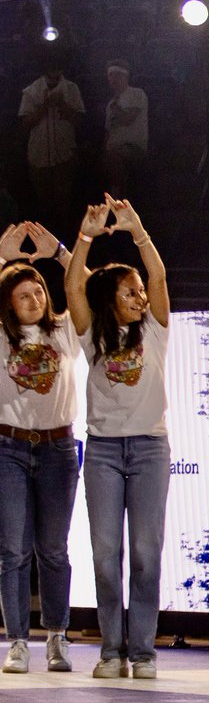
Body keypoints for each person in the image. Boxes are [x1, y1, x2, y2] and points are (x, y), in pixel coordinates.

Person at [65, 195, 170, 679]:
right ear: (110, 298)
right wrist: (85, 237)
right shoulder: (93, 336)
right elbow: (73, 287)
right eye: (129, 292)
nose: (140, 298)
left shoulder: (156, 327)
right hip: (104, 450)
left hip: (149, 447)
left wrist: (138, 229)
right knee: (106, 555)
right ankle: (112, 651)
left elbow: (159, 276)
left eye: (139, 292)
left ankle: (144, 653)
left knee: (146, 554)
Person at [0, 221, 80, 674]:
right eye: (25, 294)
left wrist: (62, 254)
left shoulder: (64, 331)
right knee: (13, 550)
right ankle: (16, 641)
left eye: (40, 292)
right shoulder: (2, 334)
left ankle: (56, 637)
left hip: (57, 449)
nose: (37, 299)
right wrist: (2, 255)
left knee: (54, 549)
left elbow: (85, 291)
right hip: (7, 448)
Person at [17, 55, 84, 235]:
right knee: (44, 203)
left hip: (65, 153)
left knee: (64, 201)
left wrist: (62, 104)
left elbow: (79, 121)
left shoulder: (71, 89)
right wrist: (45, 106)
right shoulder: (31, 91)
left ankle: (65, 239)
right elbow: (25, 123)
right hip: (39, 155)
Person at [101, 60, 148, 199]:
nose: (112, 79)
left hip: (132, 147)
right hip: (113, 148)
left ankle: (117, 196)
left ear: (125, 77)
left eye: (116, 75)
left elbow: (127, 119)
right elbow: (108, 131)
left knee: (115, 158)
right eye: (110, 75)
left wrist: (117, 109)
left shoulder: (137, 94)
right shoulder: (110, 104)